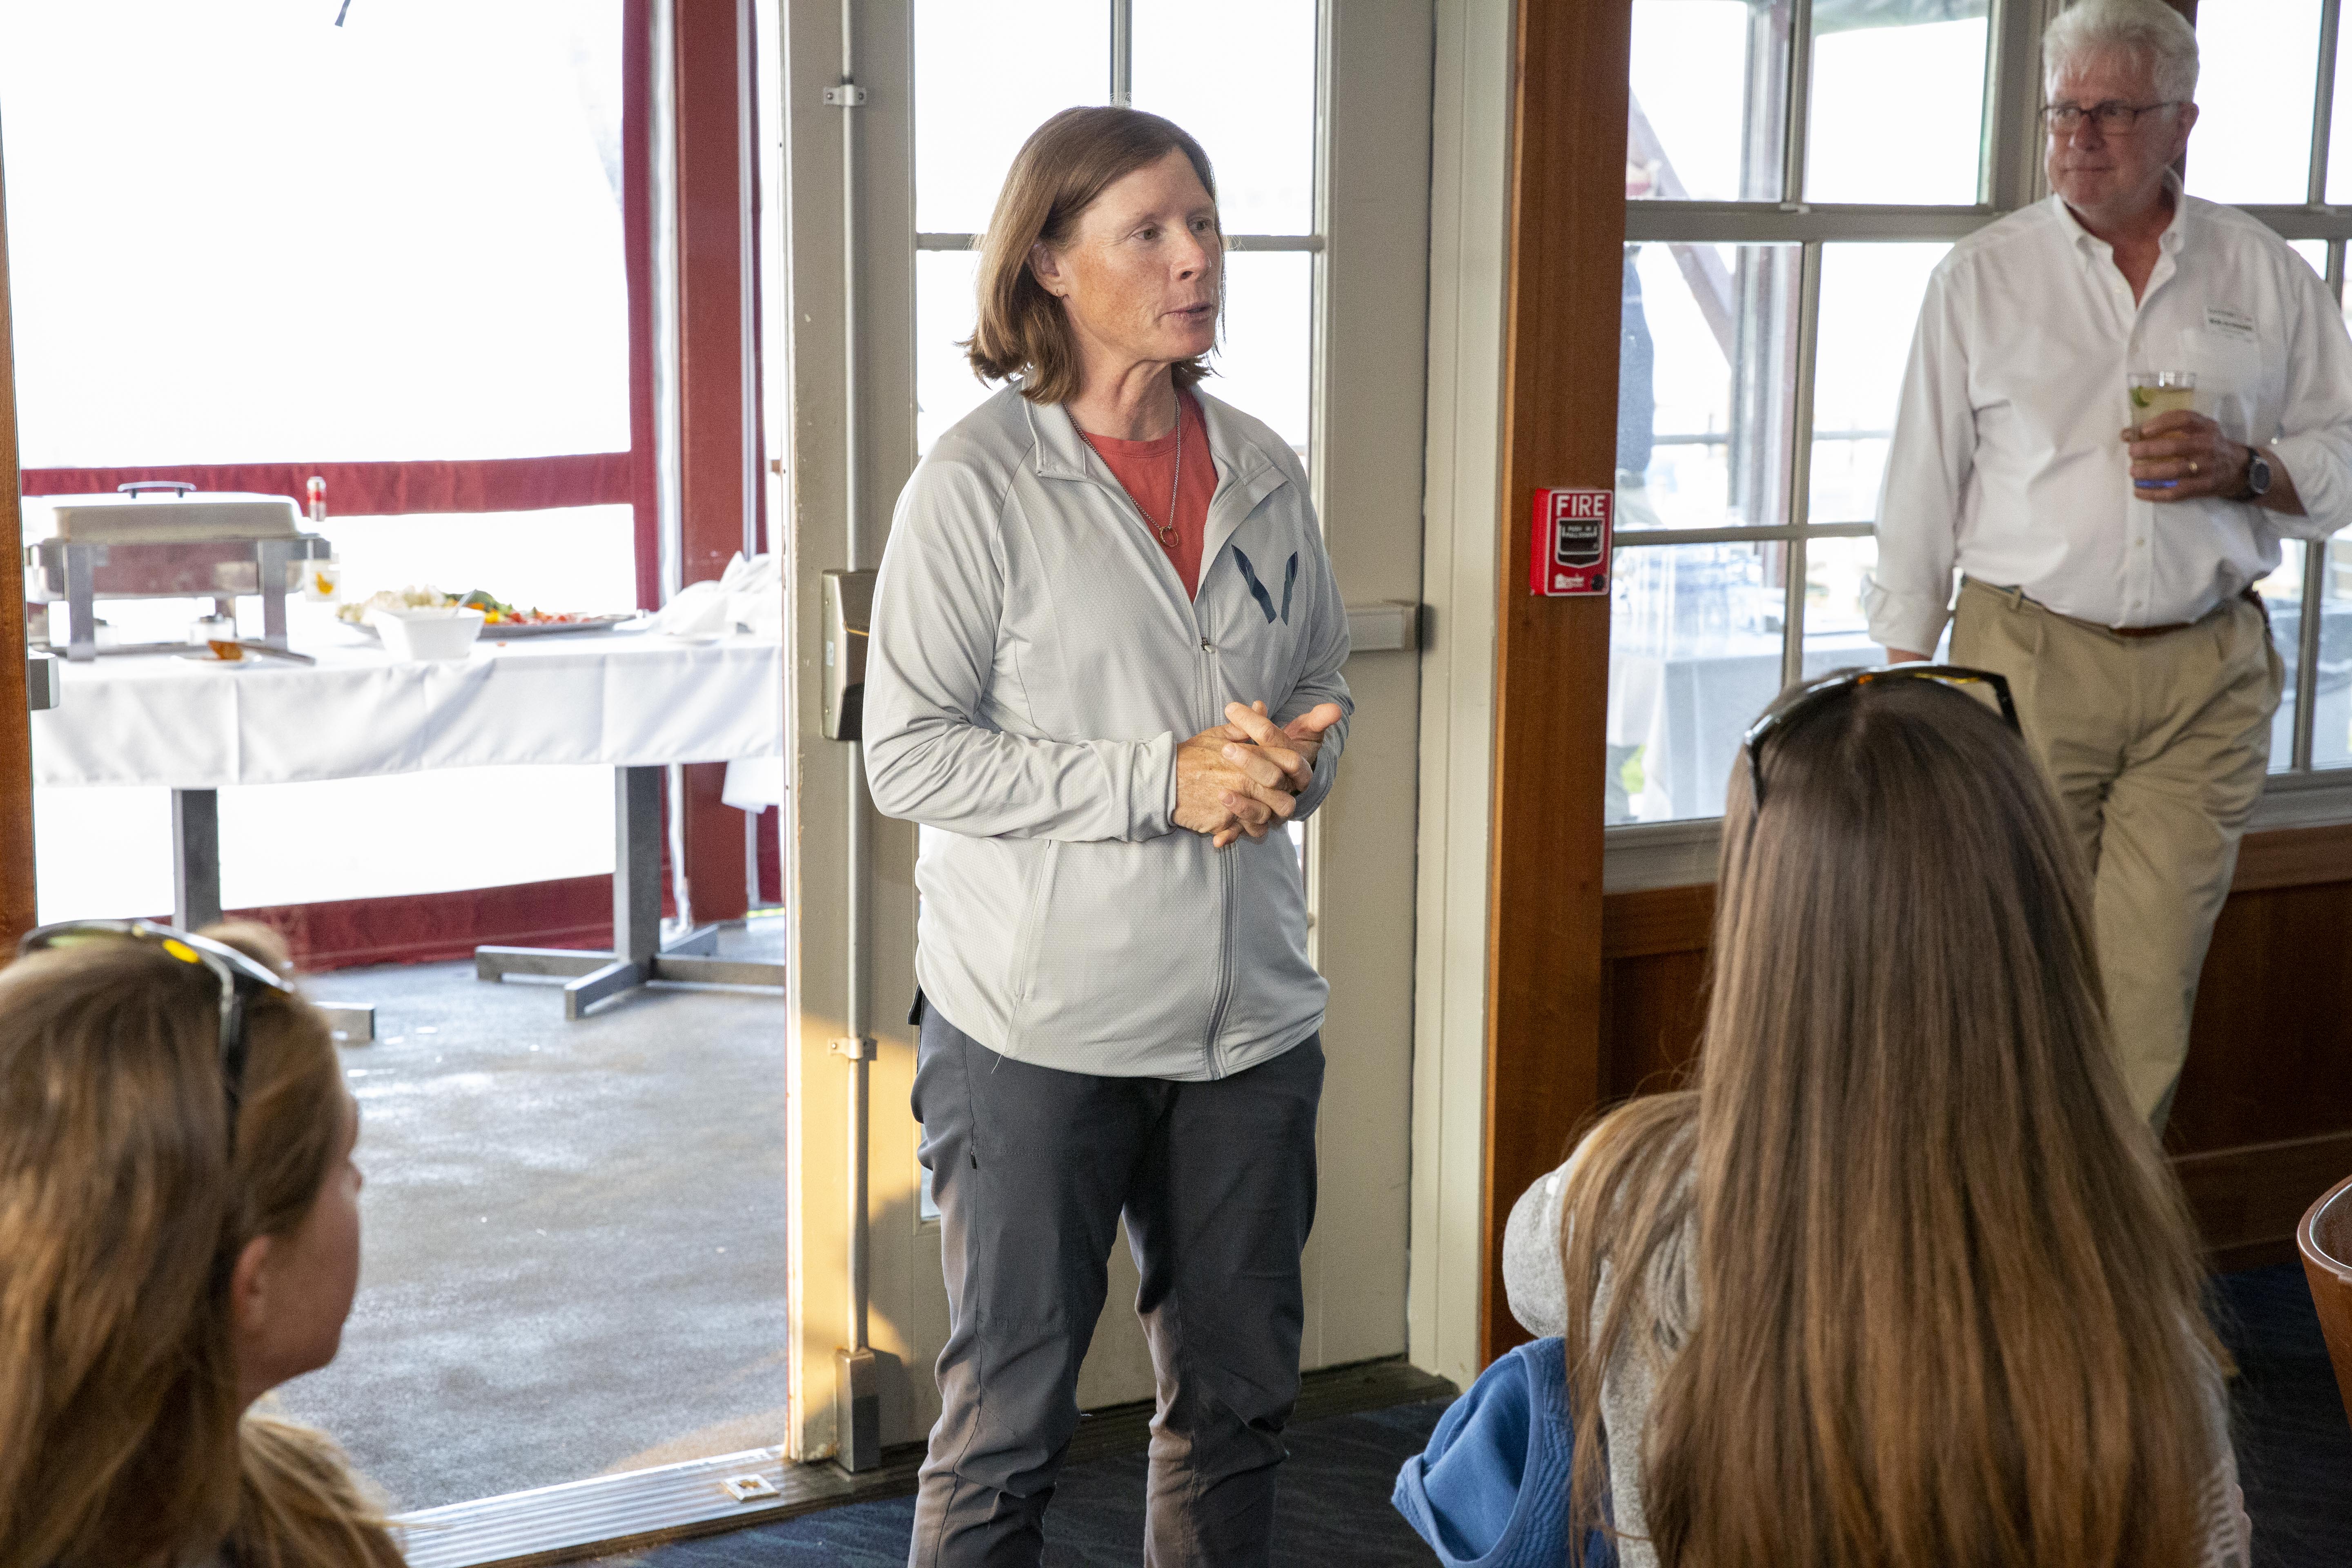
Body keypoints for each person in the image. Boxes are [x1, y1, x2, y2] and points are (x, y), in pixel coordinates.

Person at [862, 106, 1350, 1568]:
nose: (1197, 256)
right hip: (1037, 1034)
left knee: (1242, 1408)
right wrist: (1166, 780)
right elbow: (909, 753)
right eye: (1150, 229)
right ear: (1053, 265)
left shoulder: (1263, 465)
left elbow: (1319, 684)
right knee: (1010, 1424)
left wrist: (1288, 771)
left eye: (1204, 223)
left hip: (1251, 1030)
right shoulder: (973, 487)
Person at [1497, 667, 2251, 1568]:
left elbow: (1530, 1279)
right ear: (2041, 929)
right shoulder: (2130, 1321)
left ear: (1762, 932)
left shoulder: (1629, 1193)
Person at [1866, 0, 2352, 1126]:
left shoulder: (2264, 274)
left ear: (2184, 122)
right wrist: (1899, 694)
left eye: (2112, 112)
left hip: (2205, 675)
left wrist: (2248, 469)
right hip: (2026, 660)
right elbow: (1919, 498)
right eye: (2063, 111)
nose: (2079, 137)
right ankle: (1973, 1263)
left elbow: (2343, 455)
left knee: (2143, 999)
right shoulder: (1981, 281)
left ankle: (2094, 1287)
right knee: (2003, 979)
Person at [0, 920, 395, 1568]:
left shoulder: (278, 1491)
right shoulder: (293, 1529)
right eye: (342, 1159)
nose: (360, 1181)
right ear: (254, 1281)